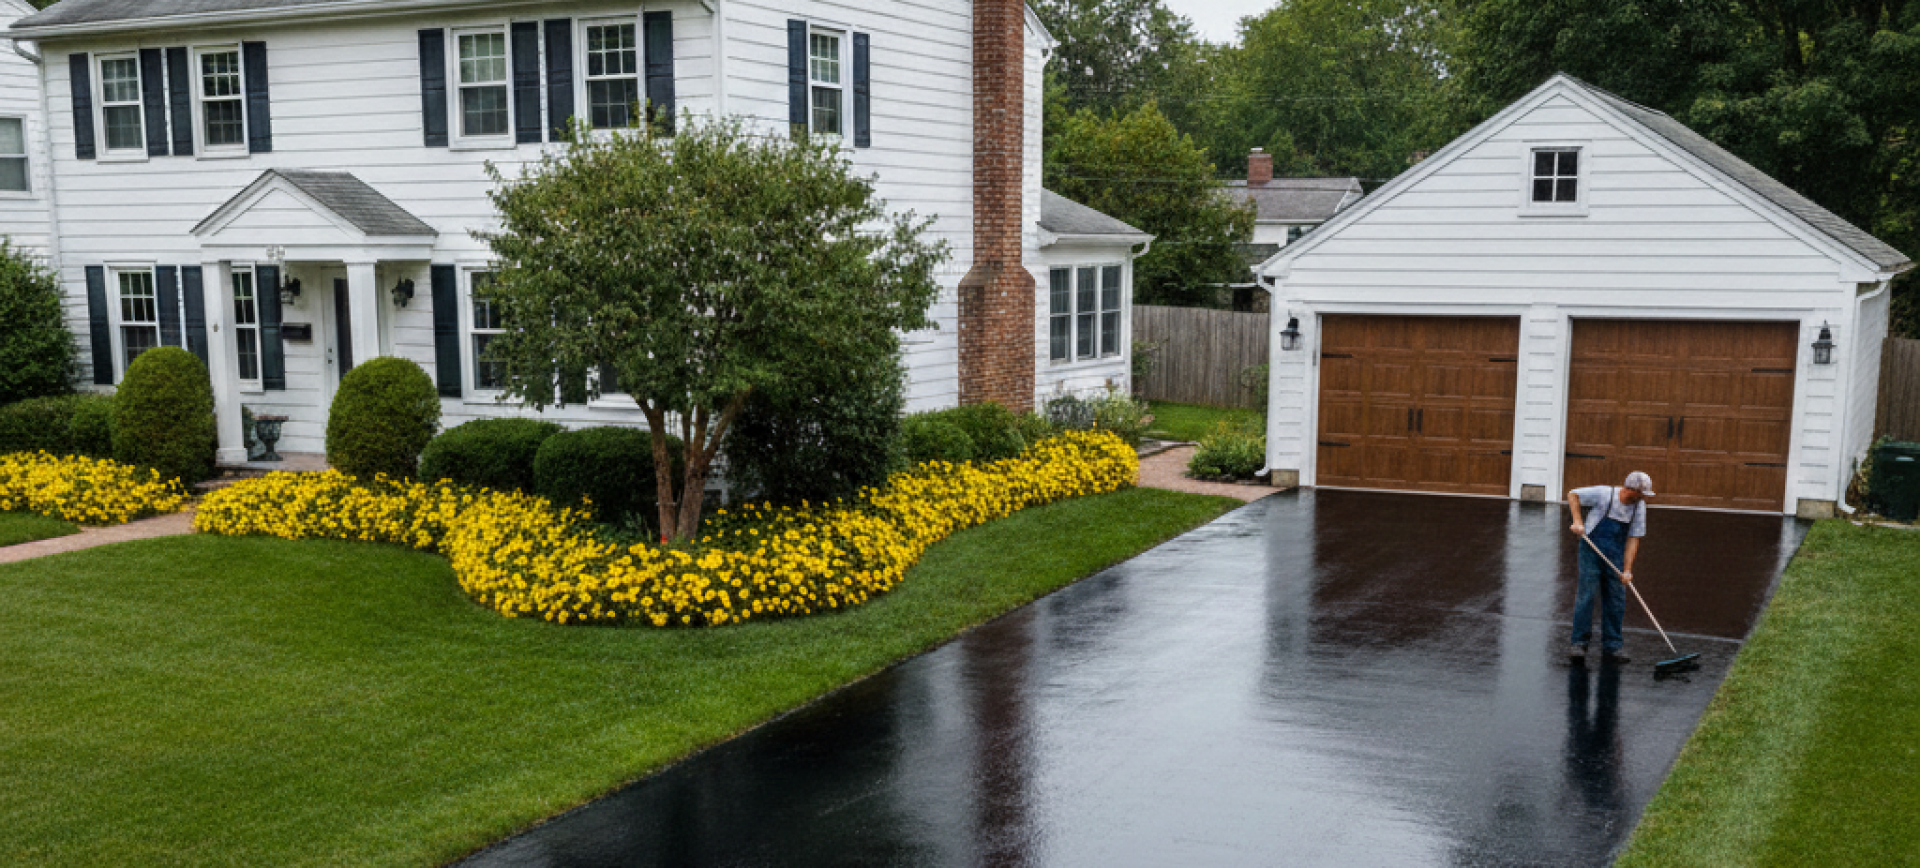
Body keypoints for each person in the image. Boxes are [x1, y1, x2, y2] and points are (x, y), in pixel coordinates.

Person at [1566, 471, 1655, 664]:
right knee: (1586, 595)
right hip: (1591, 549)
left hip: (1615, 555)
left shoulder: (1639, 508)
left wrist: (1627, 570)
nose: (1641, 499)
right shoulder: (1604, 494)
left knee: (1616, 599)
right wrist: (1578, 521)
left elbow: (1633, 539)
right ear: (1629, 489)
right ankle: (1579, 643)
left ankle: (1613, 646)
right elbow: (1573, 494)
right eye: (1639, 494)